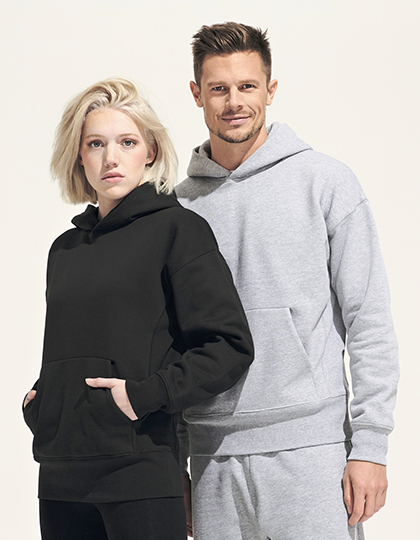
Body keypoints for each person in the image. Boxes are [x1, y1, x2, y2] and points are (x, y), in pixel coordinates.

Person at [176, 22, 399, 540]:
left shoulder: (324, 181)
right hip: (210, 458)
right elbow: (169, 344)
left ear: (270, 89)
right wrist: (174, 463)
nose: (234, 101)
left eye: (247, 86)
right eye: (219, 88)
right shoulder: (179, 206)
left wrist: (370, 445)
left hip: (312, 450)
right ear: (196, 93)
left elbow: (368, 320)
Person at [22, 77, 254, 540]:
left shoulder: (178, 230)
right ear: (79, 155)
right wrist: (44, 400)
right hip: (60, 479)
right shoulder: (64, 249)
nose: (110, 157)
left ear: (150, 150)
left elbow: (229, 346)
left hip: (140, 474)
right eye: (95, 144)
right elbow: (73, 347)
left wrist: (145, 396)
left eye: (126, 142)